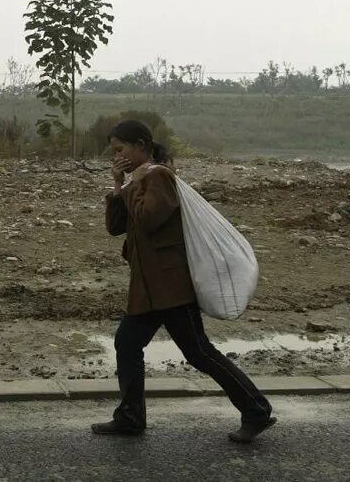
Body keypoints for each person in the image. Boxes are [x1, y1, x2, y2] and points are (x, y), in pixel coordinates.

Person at [92, 119, 276, 443]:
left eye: (121, 149)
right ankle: (130, 417)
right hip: (147, 290)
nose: (117, 156)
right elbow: (116, 227)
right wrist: (117, 187)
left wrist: (133, 184)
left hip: (171, 287)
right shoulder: (137, 180)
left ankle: (256, 410)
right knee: (127, 343)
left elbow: (148, 219)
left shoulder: (159, 176)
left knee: (200, 353)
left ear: (141, 146)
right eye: (114, 152)